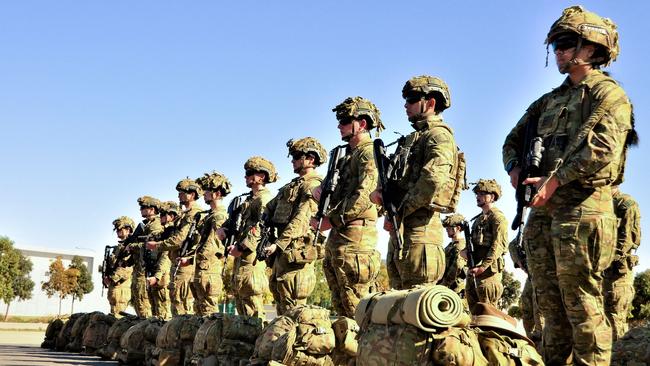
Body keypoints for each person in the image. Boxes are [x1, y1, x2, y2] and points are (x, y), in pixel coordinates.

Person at [502, 6, 633, 364]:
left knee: (582, 303)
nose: (558, 51)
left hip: (584, 207)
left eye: (565, 43)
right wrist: (515, 169)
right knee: (549, 304)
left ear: (591, 49)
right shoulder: (547, 102)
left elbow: (603, 149)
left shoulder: (608, 96)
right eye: (555, 44)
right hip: (543, 213)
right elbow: (512, 141)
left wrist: (557, 179)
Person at [371, 75, 459, 290]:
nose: (405, 105)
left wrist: (400, 211)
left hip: (422, 232)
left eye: (411, 99)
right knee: (399, 305)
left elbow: (433, 180)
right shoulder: (414, 138)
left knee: (418, 308)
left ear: (430, 103)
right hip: (403, 232)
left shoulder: (439, 135)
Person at [313, 96, 382, 318]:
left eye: (344, 120)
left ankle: (362, 352)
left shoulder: (368, 152)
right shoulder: (346, 156)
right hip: (341, 233)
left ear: (362, 124)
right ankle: (346, 353)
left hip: (356, 236)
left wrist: (331, 220)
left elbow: (365, 196)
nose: (339, 125)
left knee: (356, 305)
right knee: (341, 306)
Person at [263, 137, 325, 315]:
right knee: (281, 305)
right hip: (283, 252)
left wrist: (279, 244)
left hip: (296, 251)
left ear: (311, 160)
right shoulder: (291, 186)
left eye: (297, 156)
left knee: (294, 308)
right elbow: (270, 207)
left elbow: (302, 219)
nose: (293, 160)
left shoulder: (312, 185)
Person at [217, 157, 276, 319]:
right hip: (242, 255)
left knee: (251, 300)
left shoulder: (264, 199)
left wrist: (241, 247)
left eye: (250, 173)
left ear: (261, 177)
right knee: (241, 298)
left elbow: (260, 227)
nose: (246, 177)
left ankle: (256, 338)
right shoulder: (248, 200)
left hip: (252, 255)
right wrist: (224, 229)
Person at [147, 179, 205, 315]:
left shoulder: (193, 214)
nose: (179, 195)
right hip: (178, 263)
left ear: (192, 194)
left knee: (182, 305)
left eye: (182, 192)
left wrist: (157, 245)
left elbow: (180, 239)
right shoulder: (185, 214)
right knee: (176, 302)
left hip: (186, 265)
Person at [603, 187, 641, 340]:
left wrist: (602, 261)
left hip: (617, 276)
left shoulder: (626, 204)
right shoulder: (601, 204)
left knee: (614, 322)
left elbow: (627, 242)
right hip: (601, 274)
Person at [464, 179, 508, 309]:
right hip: (474, 270)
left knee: (488, 311)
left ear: (492, 197)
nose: (478, 197)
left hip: (488, 272)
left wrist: (483, 267)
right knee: (474, 311)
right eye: (477, 194)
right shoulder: (477, 220)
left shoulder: (497, 217)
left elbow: (498, 245)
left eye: (482, 194)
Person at [193, 172, 231, 315]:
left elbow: (223, 239)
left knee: (209, 311)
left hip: (210, 269)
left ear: (216, 193)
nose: (204, 194)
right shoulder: (209, 215)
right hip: (203, 268)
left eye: (207, 191)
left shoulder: (219, 215)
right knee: (200, 310)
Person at [128, 196, 164, 318]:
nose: (141, 210)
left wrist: (133, 246)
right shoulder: (147, 225)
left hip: (151, 267)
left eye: (144, 207)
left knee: (148, 306)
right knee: (141, 303)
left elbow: (151, 245)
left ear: (152, 209)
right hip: (143, 267)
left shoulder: (155, 225)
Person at [508, 238, 543, 346]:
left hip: (547, 273)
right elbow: (513, 244)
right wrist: (520, 262)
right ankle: (532, 341)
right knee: (526, 303)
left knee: (539, 308)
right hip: (533, 273)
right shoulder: (531, 229)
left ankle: (543, 343)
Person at [145, 201, 177, 320]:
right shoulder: (163, 232)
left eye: (164, 214)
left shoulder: (171, 232)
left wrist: (157, 276)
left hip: (162, 278)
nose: (160, 217)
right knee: (155, 316)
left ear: (172, 216)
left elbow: (165, 257)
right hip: (156, 277)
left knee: (163, 316)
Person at [105, 216, 135, 317]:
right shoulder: (119, 247)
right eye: (117, 229)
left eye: (120, 229)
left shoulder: (130, 246)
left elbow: (126, 268)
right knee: (113, 315)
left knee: (118, 317)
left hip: (121, 287)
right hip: (115, 287)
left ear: (128, 229)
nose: (118, 231)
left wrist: (112, 278)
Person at [439, 213, 468, 298]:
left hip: (453, 290)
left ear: (458, 228)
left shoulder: (461, 246)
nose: (447, 230)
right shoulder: (450, 246)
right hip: (444, 287)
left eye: (449, 227)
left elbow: (456, 269)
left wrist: (442, 285)